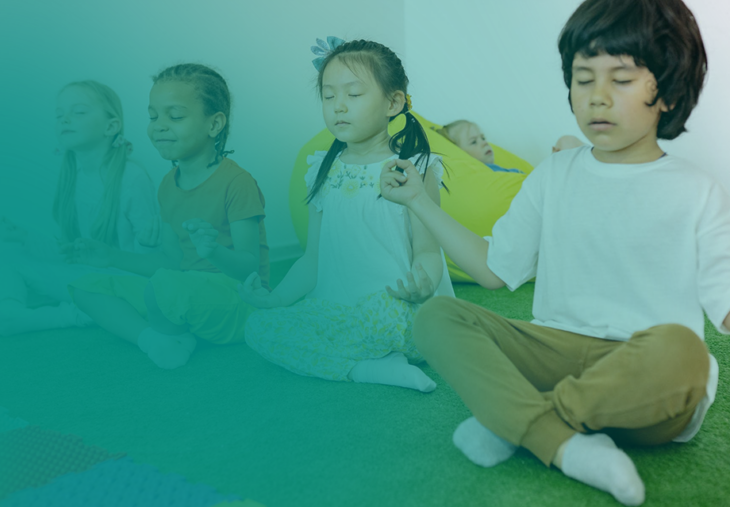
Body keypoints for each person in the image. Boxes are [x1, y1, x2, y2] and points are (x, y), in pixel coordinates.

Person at [380, 0, 729, 506]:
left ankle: (518, 423)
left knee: (685, 353)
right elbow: (495, 270)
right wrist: (420, 203)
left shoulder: (697, 192)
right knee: (437, 317)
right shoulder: (554, 173)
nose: (597, 96)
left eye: (622, 79)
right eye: (583, 78)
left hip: (644, 381)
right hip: (554, 352)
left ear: (671, 93)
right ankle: (564, 444)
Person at [239, 38, 454, 393]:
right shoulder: (320, 171)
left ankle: (364, 356)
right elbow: (313, 260)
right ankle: (368, 367)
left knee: (386, 317)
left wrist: (423, 283)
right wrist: (275, 298)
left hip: (398, 311)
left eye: (353, 95)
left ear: (393, 102)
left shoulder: (415, 167)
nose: (339, 106)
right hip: (339, 313)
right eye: (328, 96)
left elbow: (428, 251)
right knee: (259, 328)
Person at [69, 64, 269, 369]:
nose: (159, 125)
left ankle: (169, 334)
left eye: (174, 116)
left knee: (165, 286)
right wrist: (110, 256)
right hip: (183, 289)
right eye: (153, 116)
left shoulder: (237, 182)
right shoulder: (167, 184)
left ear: (214, 124)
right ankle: (153, 339)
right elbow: (171, 262)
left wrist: (213, 251)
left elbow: (248, 269)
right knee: (86, 286)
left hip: (238, 299)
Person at [0, 80, 158, 335]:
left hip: (124, 282)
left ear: (111, 126)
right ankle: (11, 314)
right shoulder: (71, 176)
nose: (65, 119)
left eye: (79, 112)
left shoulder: (132, 177)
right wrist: (23, 236)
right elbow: (71, 250)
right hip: (86, 273)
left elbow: (150, 260)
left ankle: (69, 314)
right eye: (59, 114)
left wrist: (148, 246)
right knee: (7, 255)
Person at [437, 120, 524, 173]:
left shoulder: (493, 168)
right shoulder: (487, 171)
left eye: (483, 138)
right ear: (460, 153)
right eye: (474, 142)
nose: (484, 143)